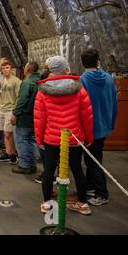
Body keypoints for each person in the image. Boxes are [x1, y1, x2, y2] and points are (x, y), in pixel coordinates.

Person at [34, 56, 94, 215]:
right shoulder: (79, 89)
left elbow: (40, 118)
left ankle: (47, 203)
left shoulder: (43, 91)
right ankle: (82, 203)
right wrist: (88, 137)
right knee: (77, 169)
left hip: (51, 139)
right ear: (65, 68)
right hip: (74, 138)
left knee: (49, 170)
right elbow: (87, 117)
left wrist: (39, 138)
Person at [80, 48, 118, 206]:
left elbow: (81, 106)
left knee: (93, 161)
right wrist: (111, 122)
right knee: (94, 157)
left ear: (83, 63)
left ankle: (102, 193)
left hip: (89, 127)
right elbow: (115, 103)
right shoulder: (109, 78)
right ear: (97, 61)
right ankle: (90, 186)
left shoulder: (84, 79)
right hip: (104, 125)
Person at [11, 62, 41, 174]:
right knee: (31, 140)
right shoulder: (39, 81)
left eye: (25, 67)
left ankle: (24, 165)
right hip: (35, 117)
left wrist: (15, 113)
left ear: (28, 69)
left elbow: (22, 100)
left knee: (21, 140)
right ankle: (32, 164)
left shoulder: (27, 82)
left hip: (24, 117)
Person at [0, 60, 21, 164]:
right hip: (1, 109)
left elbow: (19, 97)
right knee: (5, 133)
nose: (5, 70)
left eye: (7, 68)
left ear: (11, 69)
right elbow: (0, 95)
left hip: (10, 110)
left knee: (8, 133)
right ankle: (8, 152)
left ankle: (13, 154)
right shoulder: (2, 81)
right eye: (3, 68)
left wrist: (15, 113)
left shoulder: (16, 81)